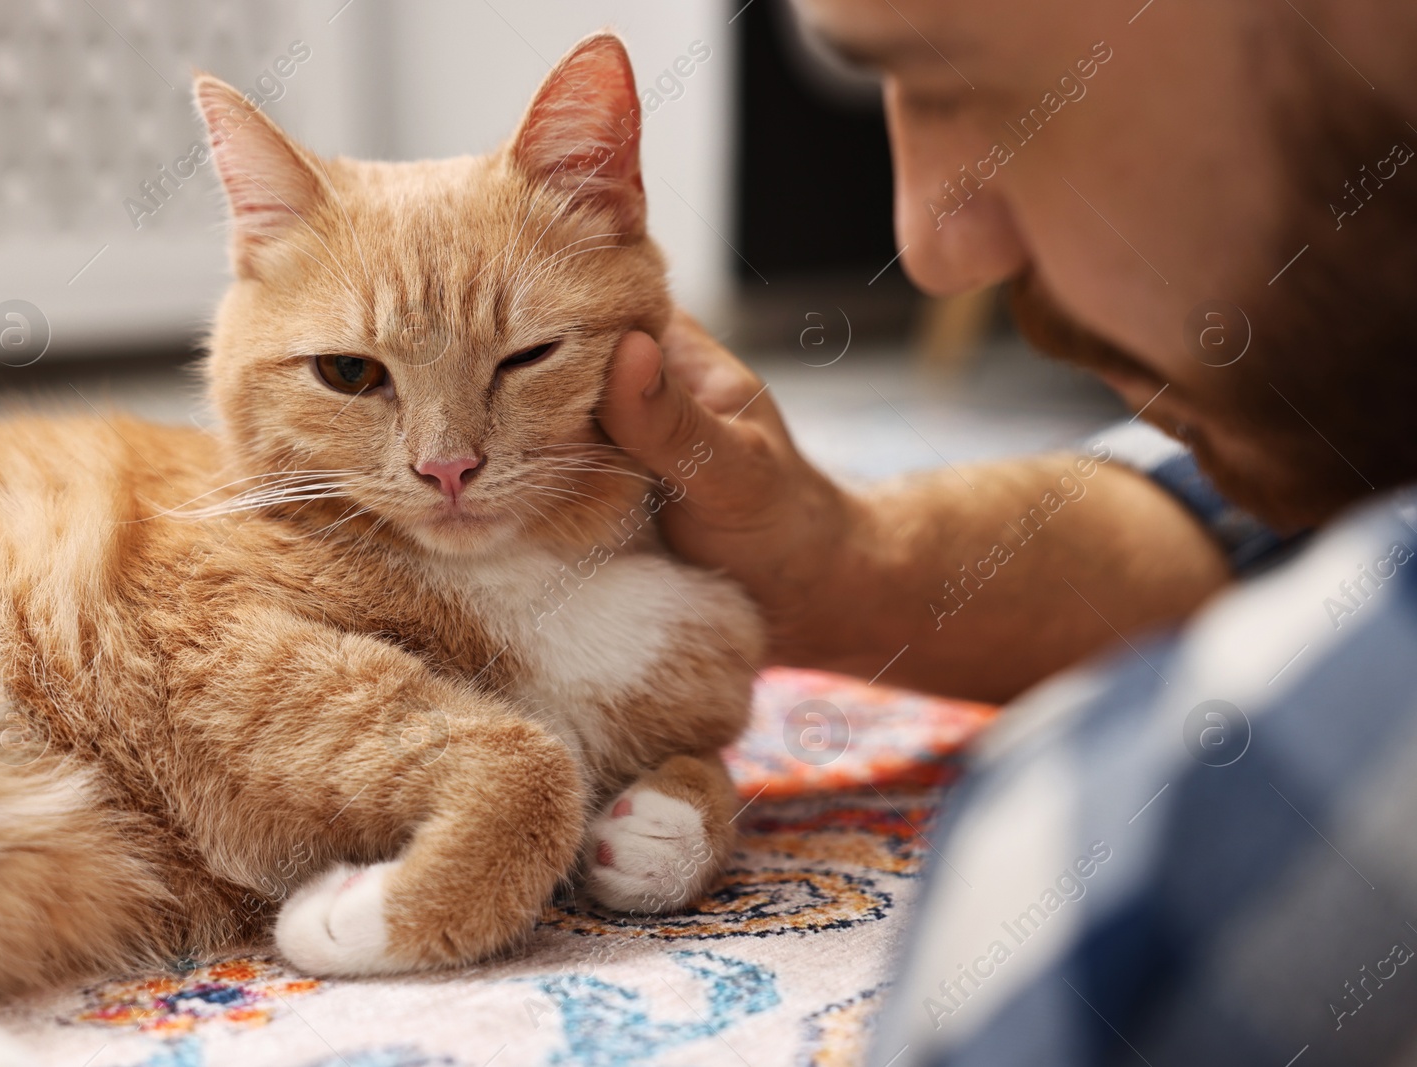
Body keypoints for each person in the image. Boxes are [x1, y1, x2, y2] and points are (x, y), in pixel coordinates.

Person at [599, 0, 1417, 1063]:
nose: (930, 249)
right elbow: (1263, 518)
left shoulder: (1112, 880)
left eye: (951, 85)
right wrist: (834, 556)